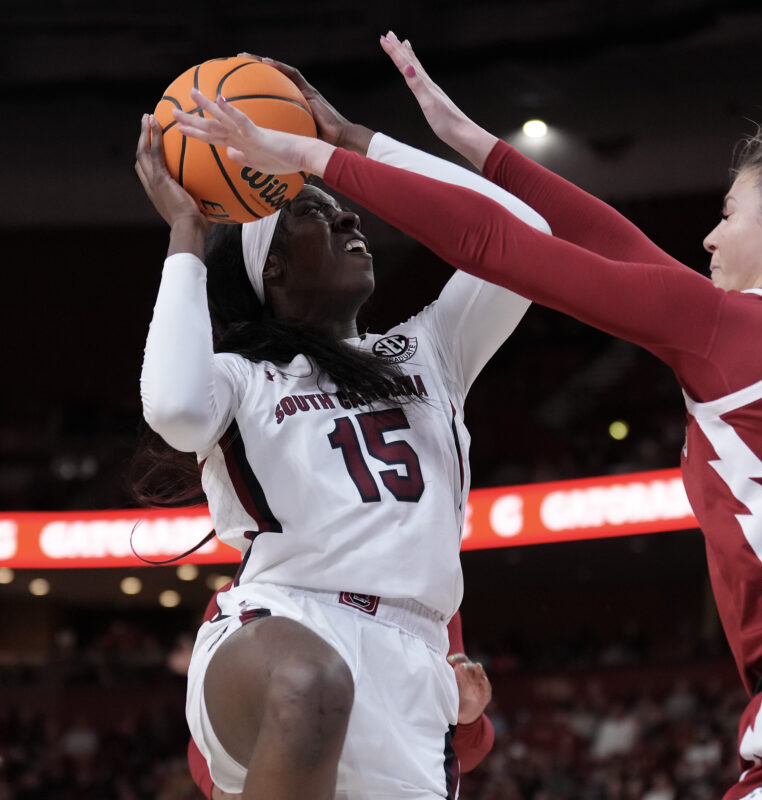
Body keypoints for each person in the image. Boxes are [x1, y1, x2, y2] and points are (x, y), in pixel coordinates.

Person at [171, 36, 762, 798]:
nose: (708, 242)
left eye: (725, 216)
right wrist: (470, 146)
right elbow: (615, 244)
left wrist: (316, 154)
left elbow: (505, 250)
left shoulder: (737, 327)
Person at [134, 55, 547, 800]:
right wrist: (186, 237)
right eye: (313, 212)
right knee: (309, 678)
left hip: (415, 667)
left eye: (339, 205)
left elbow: (521, 228)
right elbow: (173, 408)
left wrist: (354, 143)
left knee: (322, 687)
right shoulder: (244, 379)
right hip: (279, 626)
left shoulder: (430, 350)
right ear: (276, 274)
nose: (351, 214)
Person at [185, 592, 495, 800]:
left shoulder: (433, 607)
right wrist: (225, 792)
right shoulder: (254, 590)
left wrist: (468, 715)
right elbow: (202, 745)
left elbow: (460, 754)